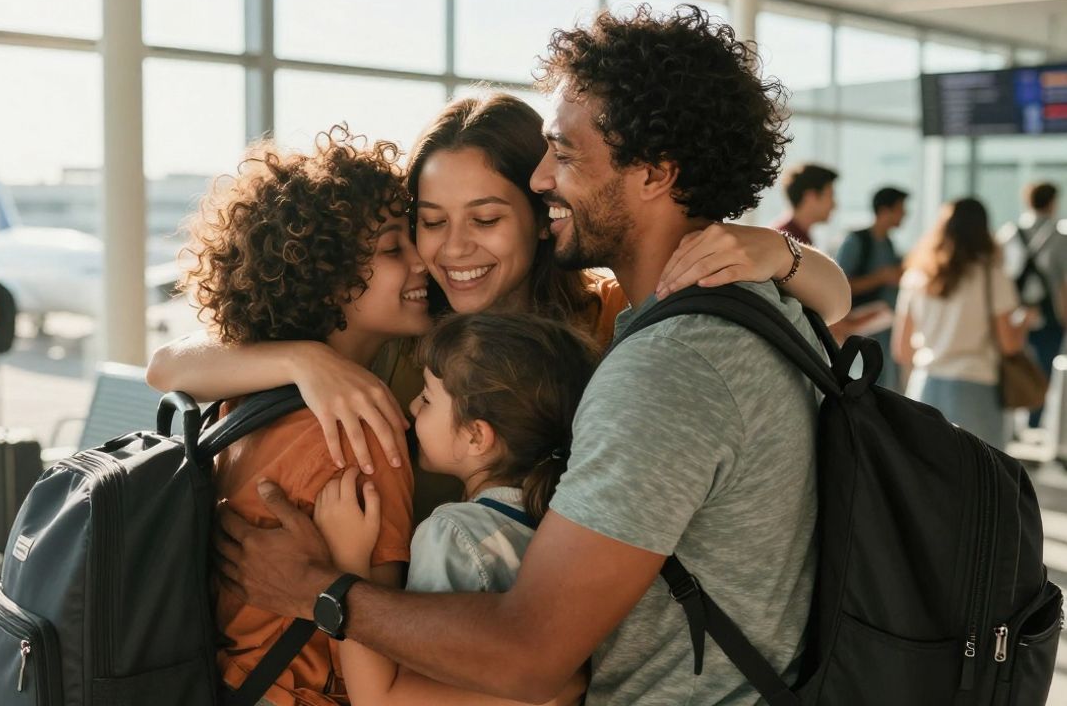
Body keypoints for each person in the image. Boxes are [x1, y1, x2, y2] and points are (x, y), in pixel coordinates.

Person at [218, 4, 826, 705]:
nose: (544, 179)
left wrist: (315, 589)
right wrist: (302, 362)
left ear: (655, 173)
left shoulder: (665, 367)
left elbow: (533, 656)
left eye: (564, 154)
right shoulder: (746, 315)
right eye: (431, 222)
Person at [147, 92, 851, 511]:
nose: (453, 249)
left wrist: (778, 252)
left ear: (543, 212)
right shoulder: (407, 334)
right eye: (429, 220)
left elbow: (835, 299)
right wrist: (304, 361)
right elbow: (169, 365)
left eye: (485, 220)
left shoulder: (605, 316)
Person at [191, 126, 421, 705]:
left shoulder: (244, 400)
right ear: (329, 278)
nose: (424, 261)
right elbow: (373, 656)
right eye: (395, 248)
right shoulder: (359, 435)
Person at [312, 312, 594, 706]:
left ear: (476, 435)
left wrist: (348, 563)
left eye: (427, 398)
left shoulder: (453, 535)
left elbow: (382, 698)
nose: (411, 406)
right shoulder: (572, 527)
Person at [895, 197, 1034, 447]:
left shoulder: (917, 276)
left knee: (926, 477)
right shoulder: (992, 276)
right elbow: (1010, 345)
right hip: (976, 387)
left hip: (924, 386)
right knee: (982, 478)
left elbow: (902, 350)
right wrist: (1023, 322)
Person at [997, 181, 1067, 428]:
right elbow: (1063, 283)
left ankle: (1014, 422)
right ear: (1052, 202)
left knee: (1014, 363)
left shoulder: (1008, 233)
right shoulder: (1061, 236)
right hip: (1049, 313)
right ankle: (1036, 421)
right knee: (1046, 367)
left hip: (1013, 310)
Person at [835, 186, 908, 388]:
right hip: (863, 329)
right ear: (885, 210)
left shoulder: (889, 244)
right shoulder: (857, 241)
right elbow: (840, 285)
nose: (905, 214)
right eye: (901, 209)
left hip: (885, 329)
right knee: (861, 383)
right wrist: (881, 277)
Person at [773, 163, 837, 245]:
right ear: (810, 197)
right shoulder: (785, 241)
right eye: (830, 196)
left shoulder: (797, 237)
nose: (834, 205)